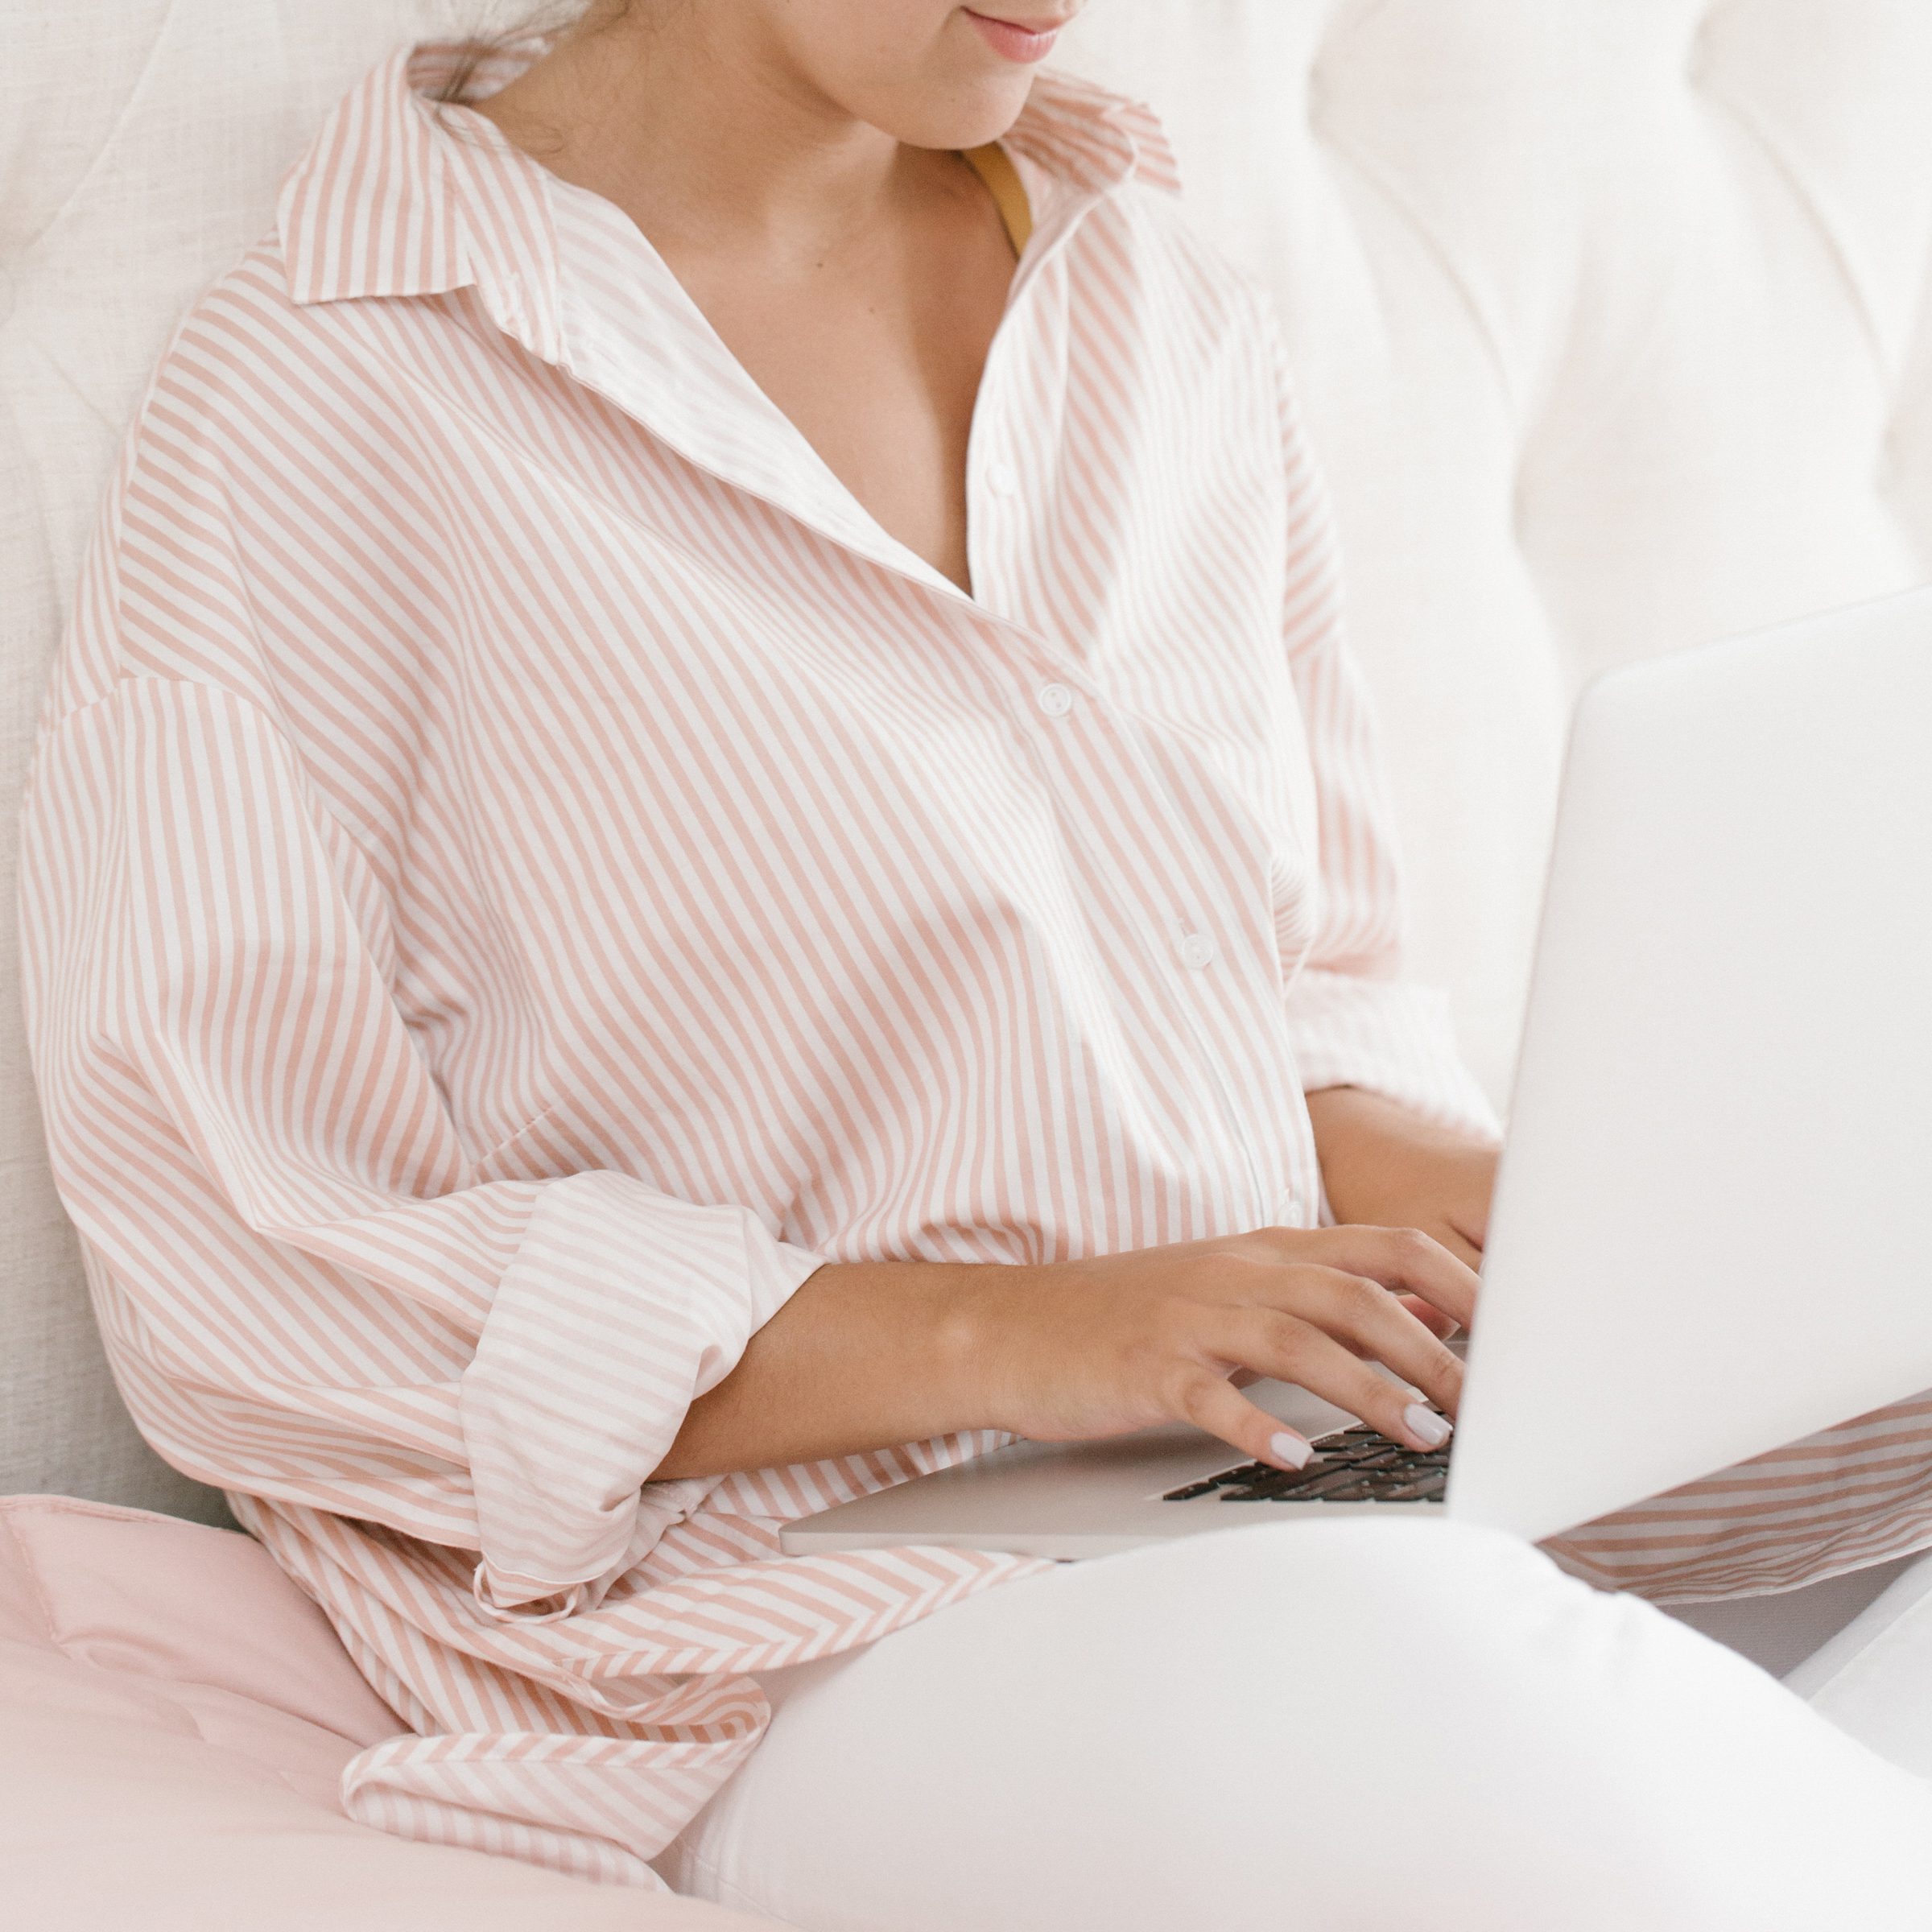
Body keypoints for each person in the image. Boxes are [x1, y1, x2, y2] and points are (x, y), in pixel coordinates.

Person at [19, 2, 1932, 1924]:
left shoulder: (1149, 293)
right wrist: (1025, 1334)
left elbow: (1297, 1005)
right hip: (787, 1616)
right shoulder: (325, 398)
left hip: (1280, 1468)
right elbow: (250, 1271)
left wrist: (1623, 1259)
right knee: (1461, 1693)